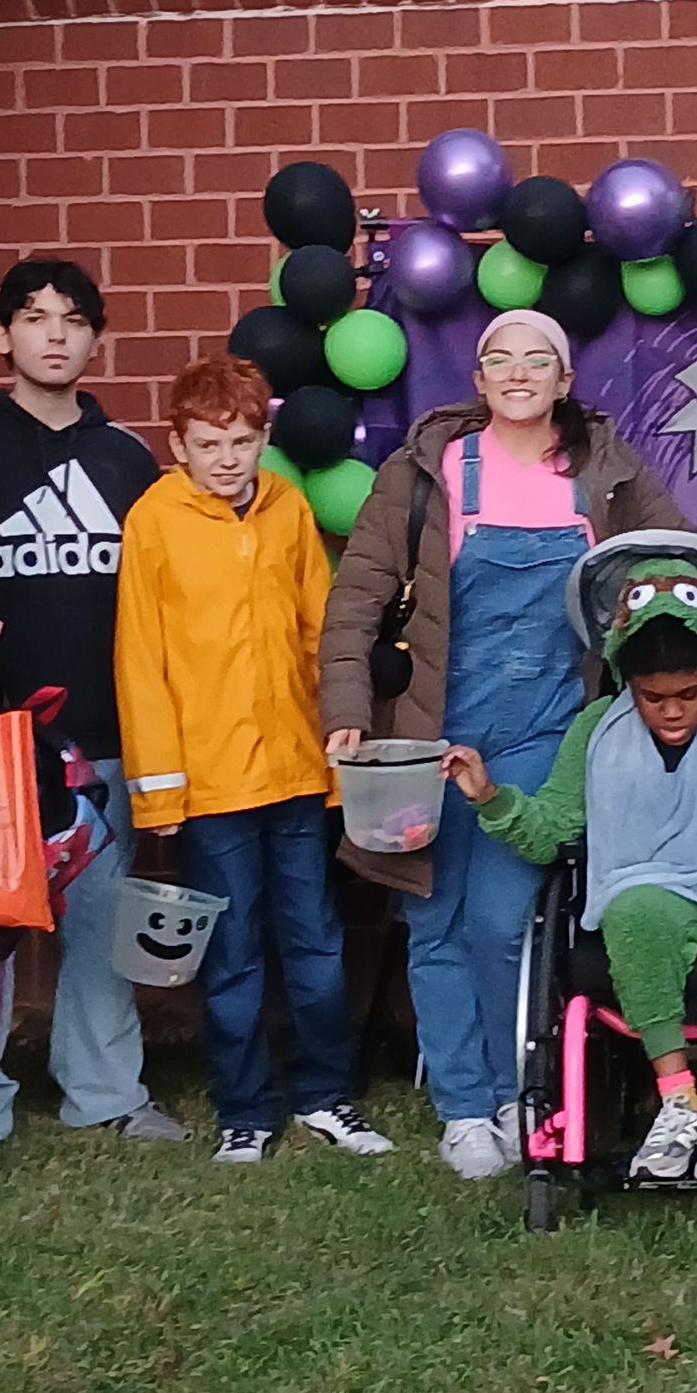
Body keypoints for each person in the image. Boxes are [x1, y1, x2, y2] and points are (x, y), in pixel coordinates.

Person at [319, 309, 697, 1184]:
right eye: (498, 359)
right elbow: (357, 598)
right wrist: (347, 707)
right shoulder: (422, 475)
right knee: (433, 921)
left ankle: (522, 1092)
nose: (518, 373)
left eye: (538, 359)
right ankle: (464, 1109)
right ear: (478, 382)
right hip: (428, 733)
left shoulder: (605, 474)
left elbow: (687, 560)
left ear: (563, 381)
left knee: (502, 922)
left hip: (547, 732)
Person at [442, 542, 697, 1187]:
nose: (671, 711)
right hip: (649, 885)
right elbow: (556, 829)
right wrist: (491, 799)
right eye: (653, 697)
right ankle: (677, 1101)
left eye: (690, 695)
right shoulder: (594, 731)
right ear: (629, 684)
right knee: (635, 913)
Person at [0, 259, 184, 1162]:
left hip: (107, 732)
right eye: (33, 318)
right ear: (1, 336)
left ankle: (106, 1091)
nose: (54, 335)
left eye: (73, 320)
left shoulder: (126, 460)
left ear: (96, 339)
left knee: (103, 926)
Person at [116, 356, 391, 1165]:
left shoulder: (288, 509)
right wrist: (163, 792)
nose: (228, 458)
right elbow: (141, 660)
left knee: (315, 942)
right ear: (178, 446)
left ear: (262, 439)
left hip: (299, 771)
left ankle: (326, 1096)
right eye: (209, 443)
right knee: (232, 952)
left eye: (242, 440)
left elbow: (320, 632)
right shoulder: (153, 522)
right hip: (209, 783)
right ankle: (244, 1110)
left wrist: (342, 739)